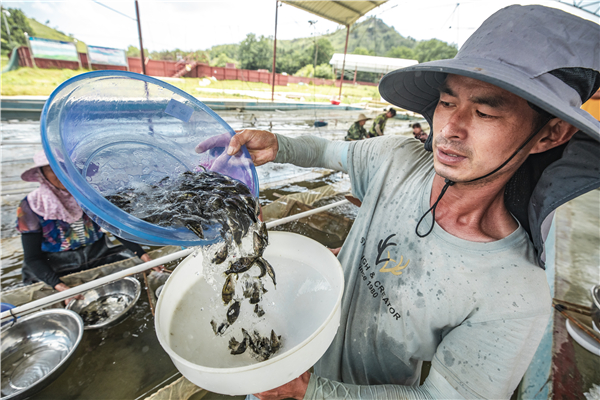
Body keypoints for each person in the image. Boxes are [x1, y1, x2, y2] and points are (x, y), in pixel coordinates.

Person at [196, 5, 599, 400]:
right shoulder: (397, 159)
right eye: (446, 102)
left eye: (484, 112)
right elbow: (325, 151)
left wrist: (310, 392)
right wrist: (278, 144)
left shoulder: (515, 292)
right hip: (276, 366)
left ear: (551, 135)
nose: (451, 129)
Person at [16, 151, 162, 301]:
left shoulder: (90, 194)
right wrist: (61, 287)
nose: (60, 173)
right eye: (51, 169)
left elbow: (116, 229)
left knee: (138, 267)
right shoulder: (31, 206)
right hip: (57, 262)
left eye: (64, 167)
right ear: (42, 175)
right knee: (38, 291)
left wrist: (143, 256)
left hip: (96, 253)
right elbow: (32, 258)